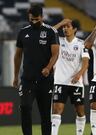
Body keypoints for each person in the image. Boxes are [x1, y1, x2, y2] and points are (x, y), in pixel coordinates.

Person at [13, 4, 59, 135]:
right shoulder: (23, 32)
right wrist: (15, 76)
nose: (34, 22)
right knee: (25, 107)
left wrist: (48, 67)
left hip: (45, 80)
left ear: (42, 17)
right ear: (29, 16)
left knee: (45, 114)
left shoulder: (51, 31)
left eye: (36, 19)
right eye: (31, 19)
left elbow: (55, 53)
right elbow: (17, 56)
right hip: (27, 80)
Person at [51, 19, 89, 135]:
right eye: (64, 27)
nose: (65, 29)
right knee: (57, 110)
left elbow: (85, 62)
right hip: (60, 81)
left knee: (80, 111)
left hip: (75, 83)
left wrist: (79, 74)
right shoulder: (58, 41)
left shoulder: (81, 44)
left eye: (68, 26)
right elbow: (49, 31)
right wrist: (61, 22)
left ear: (75, 29)